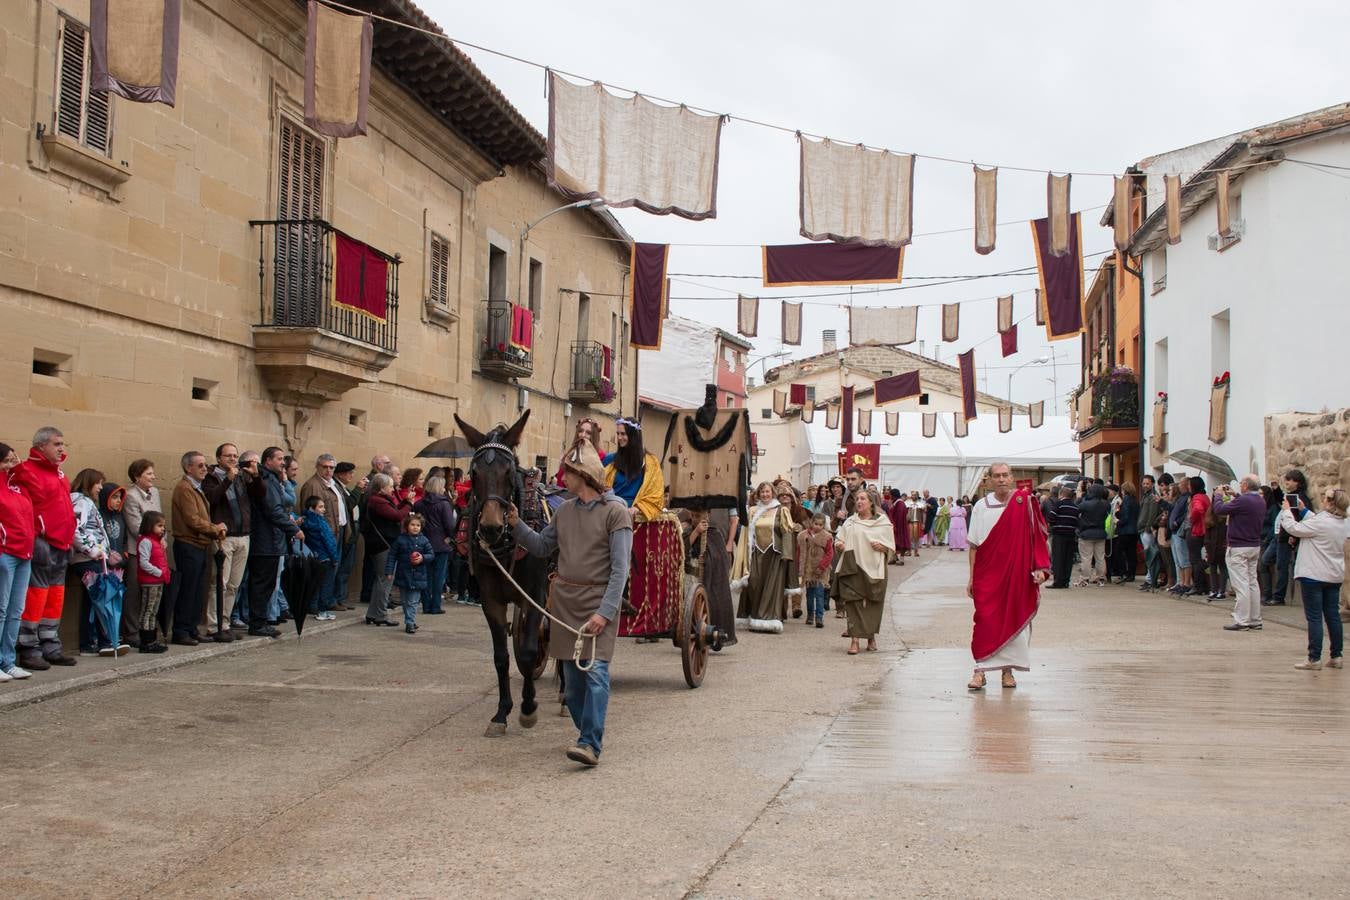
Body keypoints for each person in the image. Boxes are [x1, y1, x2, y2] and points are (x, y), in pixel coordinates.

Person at [509, 440, 632, 767]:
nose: (562, 477)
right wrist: (514, 524)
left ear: (584, 474)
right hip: (565, 603)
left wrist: (605, 614)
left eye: (568, 472)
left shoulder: (616, 512)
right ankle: (585, 734)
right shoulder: (564, 511)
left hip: (597, 602)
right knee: (572, 688)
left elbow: (621, 570)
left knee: (595, 673)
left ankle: (589, 743)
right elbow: (539, 546)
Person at [966, 463, 1050, 691]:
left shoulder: (1025, 504)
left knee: (1014, 620)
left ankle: (1007, 672)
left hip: (1017, 573)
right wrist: (972, 577)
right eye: (997, 476)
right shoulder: (981, 506)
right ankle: (980, 671)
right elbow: (974, 546)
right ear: (990, 480)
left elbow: (1037, 539)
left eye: (1005, 475)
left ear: (1012, 478)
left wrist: (1041, 568)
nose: (1001, 479)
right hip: (988, 574)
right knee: (984, 621)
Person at [12, 426, 78, 670]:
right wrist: (35, 538)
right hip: (42, 543)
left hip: (62, 542)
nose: (61, 448)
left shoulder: (59, 474)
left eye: (63, 444)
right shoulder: (26, 472)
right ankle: (29, 647)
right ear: (41, 446)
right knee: (36, 593)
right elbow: (20, 508)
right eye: (56, 444)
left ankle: (50, 643)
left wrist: (70, 537)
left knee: (55, 594)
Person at [1278, 487, 1349, 668]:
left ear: (1331, 503)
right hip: (1333, 574)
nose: (1323, 500)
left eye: (1325, 498)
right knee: (1332, 615)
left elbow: (1294, 528)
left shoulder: (1321, 522)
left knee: (1315, 617)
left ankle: (1314, 657)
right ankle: (1336, 655)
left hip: (1313, 574)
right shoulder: (1344, 522)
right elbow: (1318, 523)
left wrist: (1287, 512)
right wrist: (1304, 510)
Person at [170, 452, 227, 645]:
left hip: (200, 544)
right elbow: (192, 520)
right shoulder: (184, 489)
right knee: (188, 589)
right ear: (189, 468)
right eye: (200, 465)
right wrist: (214, 529)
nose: (205, 469)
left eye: (205, 465)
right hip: (188, 544)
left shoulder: (196, 488)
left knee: (197, 590)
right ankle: (181, 630)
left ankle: (192, 628)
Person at [245, 447, 301, 639]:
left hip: (272, 540)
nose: (282, 463)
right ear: (267, 461)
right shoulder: (267, 480)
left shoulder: (272, 479)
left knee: (267, 584)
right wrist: (294, 529)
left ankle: (261, 621)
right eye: (279, 459)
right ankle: (257, 623)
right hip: (265, 540)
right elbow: (273, 510)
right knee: (262, 584)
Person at [69, 468, 124, 657]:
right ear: (88, 483)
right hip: (87, 558)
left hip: (94, 558)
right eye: (98, 483)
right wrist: (94, 550)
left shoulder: (86, 502)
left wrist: (107, 552)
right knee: (102, 597)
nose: (100, 487)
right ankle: (105, 641)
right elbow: (76, 528)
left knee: (93, 601)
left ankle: (91, 642)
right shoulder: (81, 502)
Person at [202, 443, 253, 640]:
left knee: (234, 585)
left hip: (243, 535)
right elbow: (213, 499)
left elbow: (259, 495)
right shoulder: (211, 477)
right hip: (225, 537)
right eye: (228, 456)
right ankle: (214, 626)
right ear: (218, 458)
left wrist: (255, 476)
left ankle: (225, 622)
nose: (232, 459)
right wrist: (227, 480)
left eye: (235, 456)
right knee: (219, 583)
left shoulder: (242, 477)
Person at [835, 489, 895, 654]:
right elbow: (839, 539)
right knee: (853, 603)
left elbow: (891, 547)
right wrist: (839, 544)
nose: (859, 502)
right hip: (853, 567)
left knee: (872, 604)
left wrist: (883, 547)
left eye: (863, 499)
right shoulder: (850, 522)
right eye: (857, 499)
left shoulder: (882, 522)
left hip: (874, 569)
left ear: (871, 503)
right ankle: (854, 640)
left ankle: (871, 638)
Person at [737, 481, 798, 633]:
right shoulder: (753, 511)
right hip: (756, 553)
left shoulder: (781, 510)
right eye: (762, 492)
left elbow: (786, 533)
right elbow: (746, 533)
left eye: (767, 492)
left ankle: (769, 619)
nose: (765, 494)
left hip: (775, 554)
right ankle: (755, 617)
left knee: (772, 587)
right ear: (758, 494)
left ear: (773, 493)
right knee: (755, 583)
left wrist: (786, 555)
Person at [298, 454, 351, 617]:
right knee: (322, 574)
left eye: (331, 467)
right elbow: (308, 513)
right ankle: (317, 604)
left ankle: (327, 601)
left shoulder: (333, 483)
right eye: (325, 467)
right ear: (318, 467)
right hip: (323, 536)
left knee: (333, 572)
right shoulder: (312, 485)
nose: (328, 470)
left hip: (337, 531)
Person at [0, 443, 35, 680]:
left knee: (16, 610)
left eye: (15, 460)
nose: (13, 465)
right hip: (5, 552)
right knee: (1, 609)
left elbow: (33, 482)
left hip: (25, 554)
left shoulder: (18, 486)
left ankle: (8, 661)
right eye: (8, 461)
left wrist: (17, 467)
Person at [1211, 476, 1264, 629]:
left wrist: (1219, 495)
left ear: (1246, 486)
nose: (1240, 485)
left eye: (1241, 483)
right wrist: (1235, 495)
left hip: (1239, 546)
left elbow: (1219, 509)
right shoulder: (1260, 500)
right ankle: (1255, 618)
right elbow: (1245, 504)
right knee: (1252, 582)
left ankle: (1242, 619)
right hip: (1254, 545)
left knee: (1241, 584)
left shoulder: (1244, 501)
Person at [120, 458, 161, 646]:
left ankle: (148, 630)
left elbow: (160, 521)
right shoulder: (131, 496)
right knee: (134, 593)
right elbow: (136, 527)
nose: (153, 477)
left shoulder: (155, 493)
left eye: (153, 473)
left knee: (152, 593)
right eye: (148, 474)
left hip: (156, 551)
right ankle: (131, 632)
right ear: (137, 477)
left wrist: (162, 543)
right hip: (138, 551)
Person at [683, 507, 737, 645]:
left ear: (707, 516)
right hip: (692, 578)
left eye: (700, 515)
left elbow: (720, 557)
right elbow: (683, 549)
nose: (697, 519)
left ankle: (713, 632)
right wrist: (696, 532)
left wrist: (708, 560)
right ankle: (691, 632)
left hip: (711, 578)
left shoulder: (715, 534)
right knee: (691, 607)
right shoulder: (687, 532)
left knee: (713, 604)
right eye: (694, 516)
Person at [363, 473, 411, 626]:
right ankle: (381, 614)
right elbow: (396, 515)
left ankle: (373, 613)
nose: (392, 489)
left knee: (382, 580)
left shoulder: (380, 499)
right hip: (382, 545)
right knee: (386, 579)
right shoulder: (377, 501)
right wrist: (408, 504)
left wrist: (404, 501)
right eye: (390, 486)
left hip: (382, 544)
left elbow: (395, 511)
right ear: (381, 488)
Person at [602, 418, 664, 523]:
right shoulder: (610, 460)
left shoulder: (651, 462)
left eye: (623, 434)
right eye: (618, 433)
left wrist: (638, 508)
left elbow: (656, 495)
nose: (619, 437)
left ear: (634, 436)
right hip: (611, 515)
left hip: (638, 519)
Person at [413, 475, 457, 615]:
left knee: (425, 575)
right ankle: (435, 605)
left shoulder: (419, 504)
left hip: (423, 543)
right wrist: (450, 538)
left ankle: (426, 604)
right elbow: (450, 525)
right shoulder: (444, 504)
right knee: (439, 577)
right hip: (440, 543)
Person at [1270, 469, 1314, 606]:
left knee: (1282, 567)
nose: (1287, 482)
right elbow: (1282, 503)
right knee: (1280, 565)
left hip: (1288, 537)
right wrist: (1276, 490)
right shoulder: (1292, 495)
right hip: (1284, 535)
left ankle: (1279, 596)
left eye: (1290, 480)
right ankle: (1278, 595)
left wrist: (1293, 535)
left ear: (1297, 482)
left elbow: (1299, 516)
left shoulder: (1299, 498)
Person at [385, 513, 434, 634]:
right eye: (412, 525)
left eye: (418, 525)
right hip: (403, 575)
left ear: (421, 527)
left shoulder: (424, 540)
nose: (415, 527)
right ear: (407, 526)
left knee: (413, 601)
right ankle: (410, 619)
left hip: (418, 576)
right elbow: (392, 556)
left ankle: (409, 623)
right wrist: (389, 571)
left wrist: (422, 558)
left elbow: (431, 555)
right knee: (405, 601)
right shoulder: (400, 540)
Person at [133, 512, 170, 653]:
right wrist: (159, 572)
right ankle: (146, 641)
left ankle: (152, 639)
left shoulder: (157, 542)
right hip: (150, 581)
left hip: (158, 581)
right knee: (147, 610)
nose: (162, 529)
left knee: (154, 610)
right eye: (159, 526)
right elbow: (144, 563)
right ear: (150, 526)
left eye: (163, 526)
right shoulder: (146, 541)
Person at [331, 462, 365, 609]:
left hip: (352, 529)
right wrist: (358, 489)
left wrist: (359, 492)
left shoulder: (343, 488)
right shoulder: (337, 487)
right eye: (349, 473)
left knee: (347, 567)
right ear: (340, 474)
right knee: (342, 567)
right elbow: (349, 503)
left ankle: (341, 597)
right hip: (345, 531)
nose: (352, 475)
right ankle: (337, 598)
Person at [360, 454, 393, 605]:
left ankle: (377, 603)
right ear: (378, 465)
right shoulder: (373, 485)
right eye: (386, 463)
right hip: (376, 536)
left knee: (380, 574)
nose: (389, 465)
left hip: (379, 536)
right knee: (378, 573)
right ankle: (372, 599)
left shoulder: (381, 482)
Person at [300, 496, 339, 621]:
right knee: (326, 585)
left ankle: (314, 607)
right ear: (312, 508)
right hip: (325, 557)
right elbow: (329, 541)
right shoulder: (320, 522)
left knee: (316, 585)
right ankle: (322, 611)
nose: (324, 509)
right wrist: (335, 558)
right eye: (320, 507)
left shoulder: (305, 522)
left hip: (314, 557)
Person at [797, 512, 834, 627]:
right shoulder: (803, 536)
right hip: (808, 570)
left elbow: (829, 554)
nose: (817, 526)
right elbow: (799, 552)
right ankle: (810, 616)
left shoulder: (827, 537)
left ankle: (819, 618)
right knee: (809, 595)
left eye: (820, 525)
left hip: (820, 571)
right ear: (811, 523)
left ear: (823, 526)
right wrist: (799, 567)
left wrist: (822, 566)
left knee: (819, 595)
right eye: (815, 524)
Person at [1075, 483, 1109, 586]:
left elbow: (1076, 509)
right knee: (1100, 557)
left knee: (1086, 557)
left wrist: (1079, 498)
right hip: (1100, 533)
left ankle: (1085, 579)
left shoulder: (1086, 504)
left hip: (1086, 533)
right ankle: (1101, 578)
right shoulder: (1106, 504)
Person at [1047, 486, 1080, 588]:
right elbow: (1077, 521)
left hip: (1059, 534)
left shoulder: (1058, 504)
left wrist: (1053, 525)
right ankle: (1066, 581)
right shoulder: (1075, 507)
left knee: (1058, 558)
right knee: (1068, 559)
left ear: (1061, 494)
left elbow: (1051, 517)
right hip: (1070, 535)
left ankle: (1058, 581)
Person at [556, 417, 603, 488]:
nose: (583, 435)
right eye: (580, 431)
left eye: (588, 433)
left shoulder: (602, 457)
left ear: (594, 436)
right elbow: (560, 482)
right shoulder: (569, 456)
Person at [1167, 475, 1194, 595]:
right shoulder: (1181, 498)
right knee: (1178, 560)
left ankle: (1187, 583)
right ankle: (1182, 582)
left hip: (1180, 531)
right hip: (1174, 531)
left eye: (1182, 484)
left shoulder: (1188, 498)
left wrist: (1177, 521)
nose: (1179, 486)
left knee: (1184, 559)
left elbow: (1186, 513)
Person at [1188, 476, 1211, 595]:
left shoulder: (1197, 498)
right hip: (1204, 531)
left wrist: (1191, 518)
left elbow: (1198, 510)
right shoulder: (1205, 497)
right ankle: (1203, 585)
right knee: (1198, 559)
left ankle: (1198, 585)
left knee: (1194, 559)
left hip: (1197, 531)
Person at [1115, 482, 1140, 583]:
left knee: (1119, 551)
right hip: (1134, 530)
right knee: (1131, 553)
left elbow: (1125, 516)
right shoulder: (1135, 500)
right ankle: (1131, 573)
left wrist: (1117, 518)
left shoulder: (1126, 500)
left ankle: (1123, 572)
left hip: (1125, 530)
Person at [886, 488, 910, 561]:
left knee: (901, 542)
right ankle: (894, 557)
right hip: (896, 526)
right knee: (895, 542)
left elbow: (899, 517)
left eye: (890, 495)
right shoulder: (896, 502)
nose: (890, 497)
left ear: (894, 495)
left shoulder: (900, 504)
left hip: (900, 527)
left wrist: (896, 527)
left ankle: (901, 559)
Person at [906, 491, 925, 556]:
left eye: (914, 495)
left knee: (916, 537)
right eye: (912, 495)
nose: (913, 496)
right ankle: (909, 551)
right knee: (909, 537)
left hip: (917, 521)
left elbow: (923, 514)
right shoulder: (908, 503)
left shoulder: (921, 504)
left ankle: (916, 551)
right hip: (910, 521)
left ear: (917, 496)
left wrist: (923, 523)